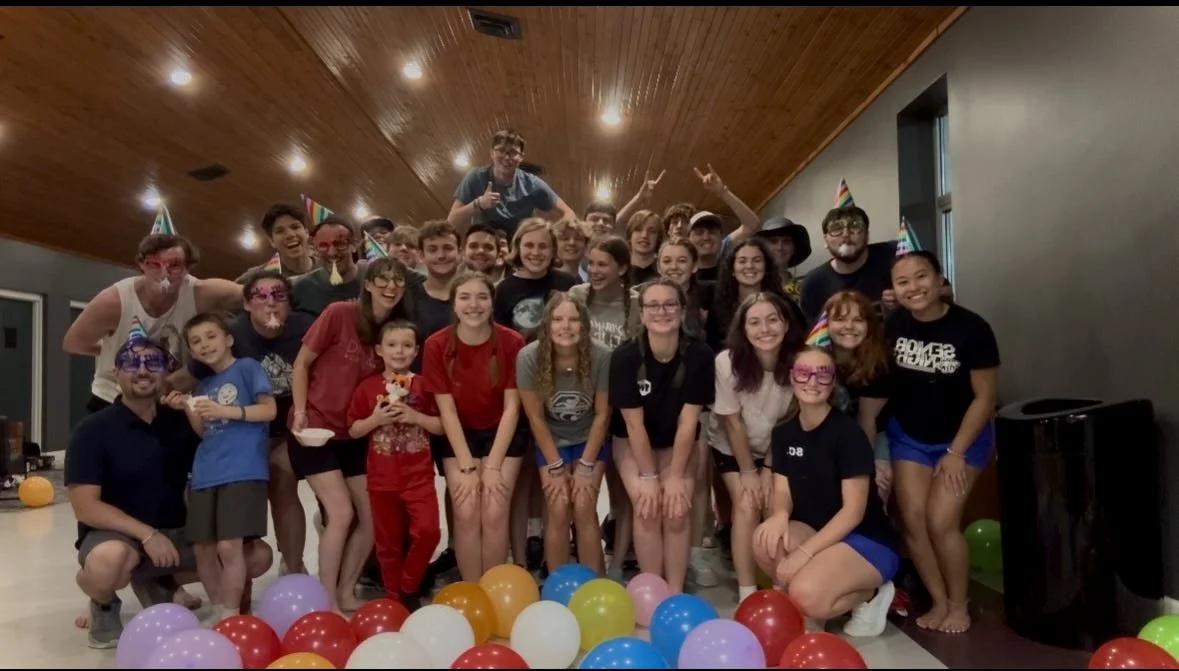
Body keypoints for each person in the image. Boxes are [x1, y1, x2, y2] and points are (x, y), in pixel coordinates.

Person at [65, 334, 271, 648]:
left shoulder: (180, 421)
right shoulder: (92, 430)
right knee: (107, 564)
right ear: (115, 373)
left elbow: (217, 459)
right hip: (121, 538)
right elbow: (86, 508)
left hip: (179, 537)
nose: (142, 370)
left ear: (166, 373)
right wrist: (147, 534)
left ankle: (156, 580)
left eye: (153, 362)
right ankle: (102, 601)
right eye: (131, 363)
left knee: (257, 557)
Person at [861, 251, 1000, 634]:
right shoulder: (892, 328)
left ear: (940, 279)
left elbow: (984, 398)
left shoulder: (972, 329)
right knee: (913, 519)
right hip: (911, 437)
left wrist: (956, 452)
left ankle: (959, 604)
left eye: (921, 277)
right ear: (894, 290)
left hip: (962, 440)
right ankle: (939, 601)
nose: (914, 287)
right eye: (903, 282)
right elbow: (876, 394)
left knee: (941, 522)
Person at [290, 257, 414, 612]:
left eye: (398, 281)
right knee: (341, 512)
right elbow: (301, 364)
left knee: (373, 517)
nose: (391, 287)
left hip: (356, 433)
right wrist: (300, 412)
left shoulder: (393, 331)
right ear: (369, 284)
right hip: (315, 430)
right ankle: (326, 597)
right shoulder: (339, 313)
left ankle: (346, 589)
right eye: (383, 280)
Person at [753, 346, 899, 639]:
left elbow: (853, 512)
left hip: (865, 538)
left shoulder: (847, 434)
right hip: (817, 530)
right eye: (803, 374)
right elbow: (782, 490)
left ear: (832, 383)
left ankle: (871, 593)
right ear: (792, 380)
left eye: (823, 375)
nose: (812, 382)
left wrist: (805, 553)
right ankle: (809, 604)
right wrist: (779, 515)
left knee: (806, 593)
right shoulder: (784, 433)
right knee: (765, 541)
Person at [190, 271, 313, 575]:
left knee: (284, 483)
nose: (270, 303)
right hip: (244, 431)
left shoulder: (305, 328)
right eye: (260, 296)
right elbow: (198, 374)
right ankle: (238, 565)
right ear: (246, 304)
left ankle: (294, 567)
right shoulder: (230, 334)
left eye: (279, 296)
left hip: (291, 424)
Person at [609, 278, 715, 593]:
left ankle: (675, 590)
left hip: (678, 442)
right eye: (653, 305)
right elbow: (633, 425)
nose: (662, 311)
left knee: (677, 507)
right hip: (632, 442)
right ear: (641, 315)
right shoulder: (626, 357)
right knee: (646, 504)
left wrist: (675, 476)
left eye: (670, 304)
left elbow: (688, 423)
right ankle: (653, 590)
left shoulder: (700, 355)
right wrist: (649, 475)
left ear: (683, 312)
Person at [422, 271, 527, 581]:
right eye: (465, 297)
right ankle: (472, 589)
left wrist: (492, 466)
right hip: (459, 434)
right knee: (466, 512)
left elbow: (512, 407)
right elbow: (447, 411)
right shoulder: (436, 344)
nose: (474, 305)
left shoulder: (512, 341)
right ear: (453, 305)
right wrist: (468, 468)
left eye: (482, 297)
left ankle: (493, 587)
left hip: (502, 432)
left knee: (494, 510)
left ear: (492, 303)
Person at [174, 313, 276, 623]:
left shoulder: (247, 368)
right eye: (196, 341)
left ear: (228, 339)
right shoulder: (203, 384)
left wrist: (224, 409)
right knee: (204, 550)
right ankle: (220, 608)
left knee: (229, 547)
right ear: (191, 352)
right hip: (205, 473)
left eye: (210, 336)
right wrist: (189, 409)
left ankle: (231, 615)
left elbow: (269, 410)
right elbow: (205, 432)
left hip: (243, 470)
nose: (204, 345)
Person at [63, 233, 244, 405]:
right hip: (114, 399)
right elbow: (73, 343)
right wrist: (114, 353)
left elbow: (258, 297)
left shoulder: (203, 293)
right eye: (154, 265)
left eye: (174, 265)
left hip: (172, 400)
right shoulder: (113, 302)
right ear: (142, 264)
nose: (164, 274)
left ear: (187, 268)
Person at [709, 293, 803, 603]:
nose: (765, 329)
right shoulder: (726, 362)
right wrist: (750, 471)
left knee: (775, 507)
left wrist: (769, 469)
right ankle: (747, 592)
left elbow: (789, 422)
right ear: (744, 329)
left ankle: (781, 590)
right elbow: (732, 423)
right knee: (747, 504)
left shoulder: (799, 361)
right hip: (734, 449)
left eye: (772, 319)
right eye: (755, 322)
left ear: (786, 324)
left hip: (778, 447)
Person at [348, 321, 443, 610]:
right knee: (387, 544)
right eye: (391, 345)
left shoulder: (425, 386)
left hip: (419, 477)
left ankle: (408, 584)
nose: (398, 351)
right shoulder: (367, 388)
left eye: (406, 345)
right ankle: (394, 598)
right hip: (381, 479)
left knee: (428, 531)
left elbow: (442, 425)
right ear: (379, 350)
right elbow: (353, 429)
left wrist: (416, 417)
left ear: (416, 350)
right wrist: (376, 420)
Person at [517, 293, 611, 573]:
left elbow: (603, 414)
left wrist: (584, 467)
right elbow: (535, 416)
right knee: (557, 508)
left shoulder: (601, 355)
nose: (565, 326)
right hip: (552, 441)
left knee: (583, 507)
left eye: (573, 319)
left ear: (584, 324)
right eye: (558, 320)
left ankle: (595, 582)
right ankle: (558, 583)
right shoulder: (529, 357)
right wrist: (556, 466)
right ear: (546, 325)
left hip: (588, 439)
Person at [567, 236, 635, 580]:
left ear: (622, 268)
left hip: (622, 406)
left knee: (622, 493)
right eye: (590, 263)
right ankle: (581, 559)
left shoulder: (634, 304)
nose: (594, 270)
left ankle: (619, 562)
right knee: (583, 492)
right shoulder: (578, 296)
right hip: (584, 407)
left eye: (602, 264)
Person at [823, 290, 894, 501]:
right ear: (826, 324)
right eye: (840, 319)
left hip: (870, 435)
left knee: (876, 487)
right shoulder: (814, 357)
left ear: (869, 325)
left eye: (858, 320)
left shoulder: (880, 362)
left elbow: (867, 420)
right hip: (827, 437)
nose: (849, 327)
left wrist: (867, 467)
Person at [448, 129, 576, 238]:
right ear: (492, 153)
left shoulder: (532, 184)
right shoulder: (476, 177)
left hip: (517, 252)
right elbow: (451, 222)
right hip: (485, 250)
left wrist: (549, 235)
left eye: (513, 152)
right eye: (501, 150)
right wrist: (479, 203)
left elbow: (569, 213)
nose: (507, 157)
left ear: (521, 157)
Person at [493, 218, 579, 341]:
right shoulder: (503, 290)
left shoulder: (568, 283)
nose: (536, 252)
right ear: (518, 247)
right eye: (529, 245)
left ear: (553, 250)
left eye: (543, 246)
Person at [236, 203, 315, 281]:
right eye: (280, 231)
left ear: (306, 232)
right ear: (271, 241)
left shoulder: (325, 267)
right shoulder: (259, 276)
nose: (290, 235)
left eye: (295, 227)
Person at [755, 216, 812, 303]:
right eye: (773, 241)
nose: (780, 247)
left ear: (794, 248)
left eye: (786, 242)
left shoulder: (804, 290)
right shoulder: (753, 287)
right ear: (763, 248)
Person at [624, 210, 664, 286]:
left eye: (652, 231)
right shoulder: (617, 272)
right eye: (638, 230)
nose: (644, 235)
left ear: (658, 238)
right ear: (630, 235)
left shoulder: (665, 274)